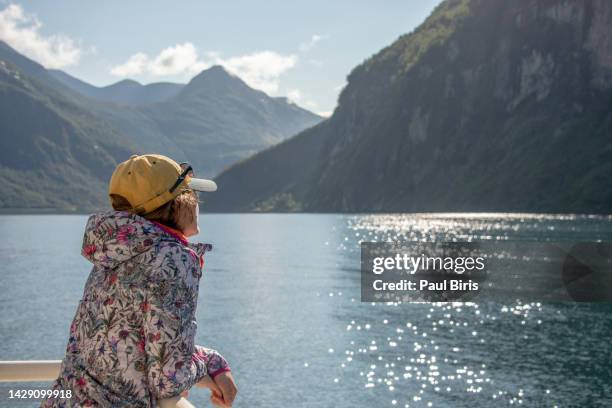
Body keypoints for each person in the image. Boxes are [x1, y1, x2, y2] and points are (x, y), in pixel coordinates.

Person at [41, 154, 237, 407]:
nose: (198, 203)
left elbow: (125, 344)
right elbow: (168, 379)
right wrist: (212, 362)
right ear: (178, 203)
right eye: (193, 194)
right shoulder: (174, 259)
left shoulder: (114, 250)